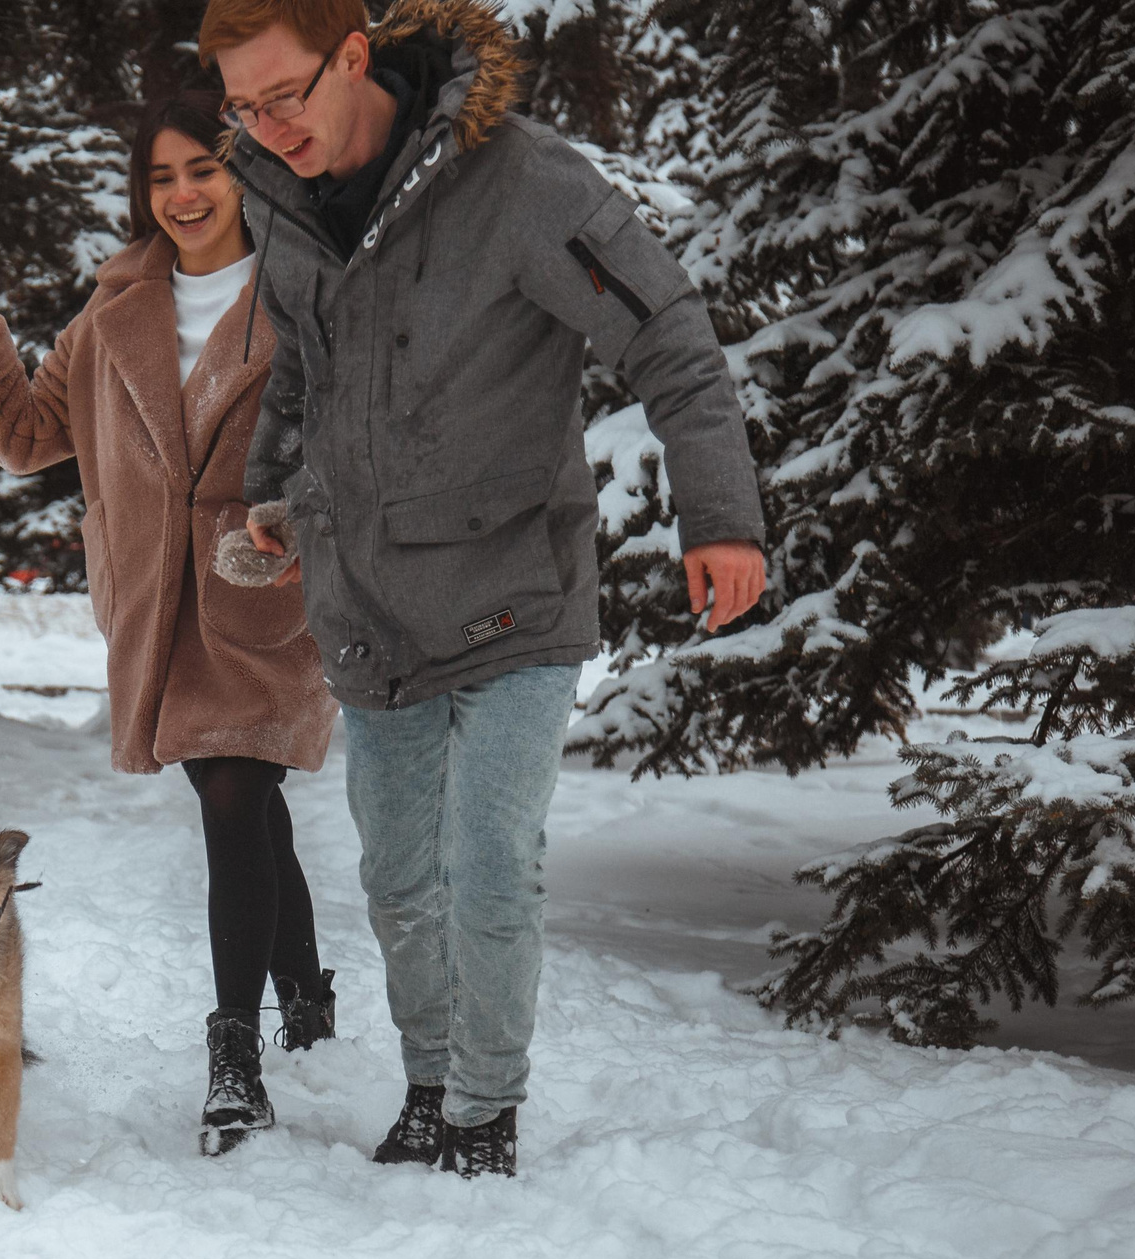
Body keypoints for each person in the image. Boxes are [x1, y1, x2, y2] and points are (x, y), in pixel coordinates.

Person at [204, 0, 770, 1177]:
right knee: (397, 875)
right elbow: (302, 359)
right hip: (368, 599)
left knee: (487, 862)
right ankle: (428, 1089)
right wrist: (273, 492)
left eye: (283, 97)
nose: (264, 127)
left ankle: (484, 1110)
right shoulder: (277, 189)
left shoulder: (518, 180)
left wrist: (718, 518)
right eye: (241, 106)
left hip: (516, 582)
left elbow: (666, 328)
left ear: (350, 54)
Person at [0, 90, 342, 1156]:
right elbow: (21, 432)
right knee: (243, 796)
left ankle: (234, 1052)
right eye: (161, 177)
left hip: (264, 590)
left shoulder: (308, 292)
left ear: (246, 170)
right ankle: (304, 989)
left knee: (239, 790)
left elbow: (351, 439)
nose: (185, 193)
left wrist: (293, 520)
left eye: (204, 168)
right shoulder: (113, 313)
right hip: (153, 606)